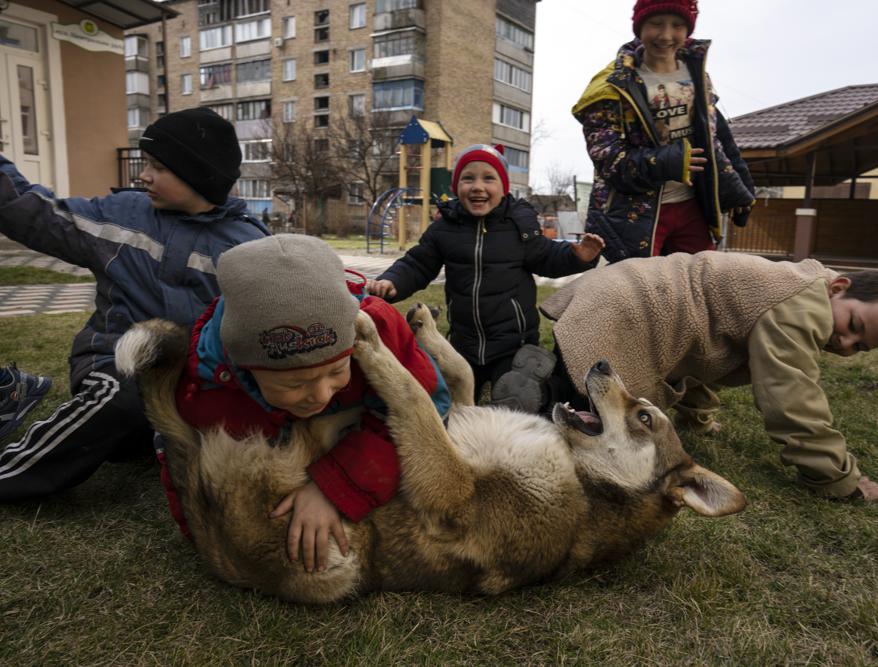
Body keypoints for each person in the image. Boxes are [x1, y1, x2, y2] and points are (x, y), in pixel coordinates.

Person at [0, 107, 269, 501]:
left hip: (192, 385)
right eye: (146, 164)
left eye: (158, 166)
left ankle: (159, 441)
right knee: (124, 397)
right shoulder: (123, 216)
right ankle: (12, 474)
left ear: (198, 174)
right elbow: (38, 214)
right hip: (114, 361)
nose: (143, 175)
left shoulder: (246, 247)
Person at [168, 235, 451, 573]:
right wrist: (204, 532)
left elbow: (426, 409)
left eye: (336, 370)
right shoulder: (208, 387)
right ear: (245, 367)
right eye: (295, 382)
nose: (320, 394)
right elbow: (183, 455)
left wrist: (334, 487)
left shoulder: (376, 329)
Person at [539, 252, 878, 502]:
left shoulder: (801, 289)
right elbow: (793, 397)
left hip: (627, 289)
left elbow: (707, 357)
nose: (845, 341)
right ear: (839, 288)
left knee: (600, 394)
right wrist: (839, 478)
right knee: (604, 417)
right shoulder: (802, 308)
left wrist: (697, 418)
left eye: (859, 346)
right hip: (631, 306)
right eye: (853, 324)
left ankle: (541, 373)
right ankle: (540, 392)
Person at [367, 144, 605, 406]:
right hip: (464, 342)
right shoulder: (445, 228)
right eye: (468, 178)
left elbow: (546, 256)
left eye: (488, 178)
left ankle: (545, 395)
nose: (478, 186)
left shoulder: (519, 225)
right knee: (448, 399)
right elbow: (417, 264)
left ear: (503, 188)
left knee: (517, 396)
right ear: (456, 186)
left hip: (513, 343)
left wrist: (579, 256)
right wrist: (392, 281)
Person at [574, 0, 755, 262]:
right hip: (632, 214)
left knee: (701, 286)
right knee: (638, 294)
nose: (666, 35)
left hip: (693, 205)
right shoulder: (610, 86)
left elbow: (718, 138)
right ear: (639, 26)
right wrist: (669, 161)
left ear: (688, 29)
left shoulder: (698, 76)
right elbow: (608, 159)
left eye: (677, 25)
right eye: (656, 24)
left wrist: (741, 189)